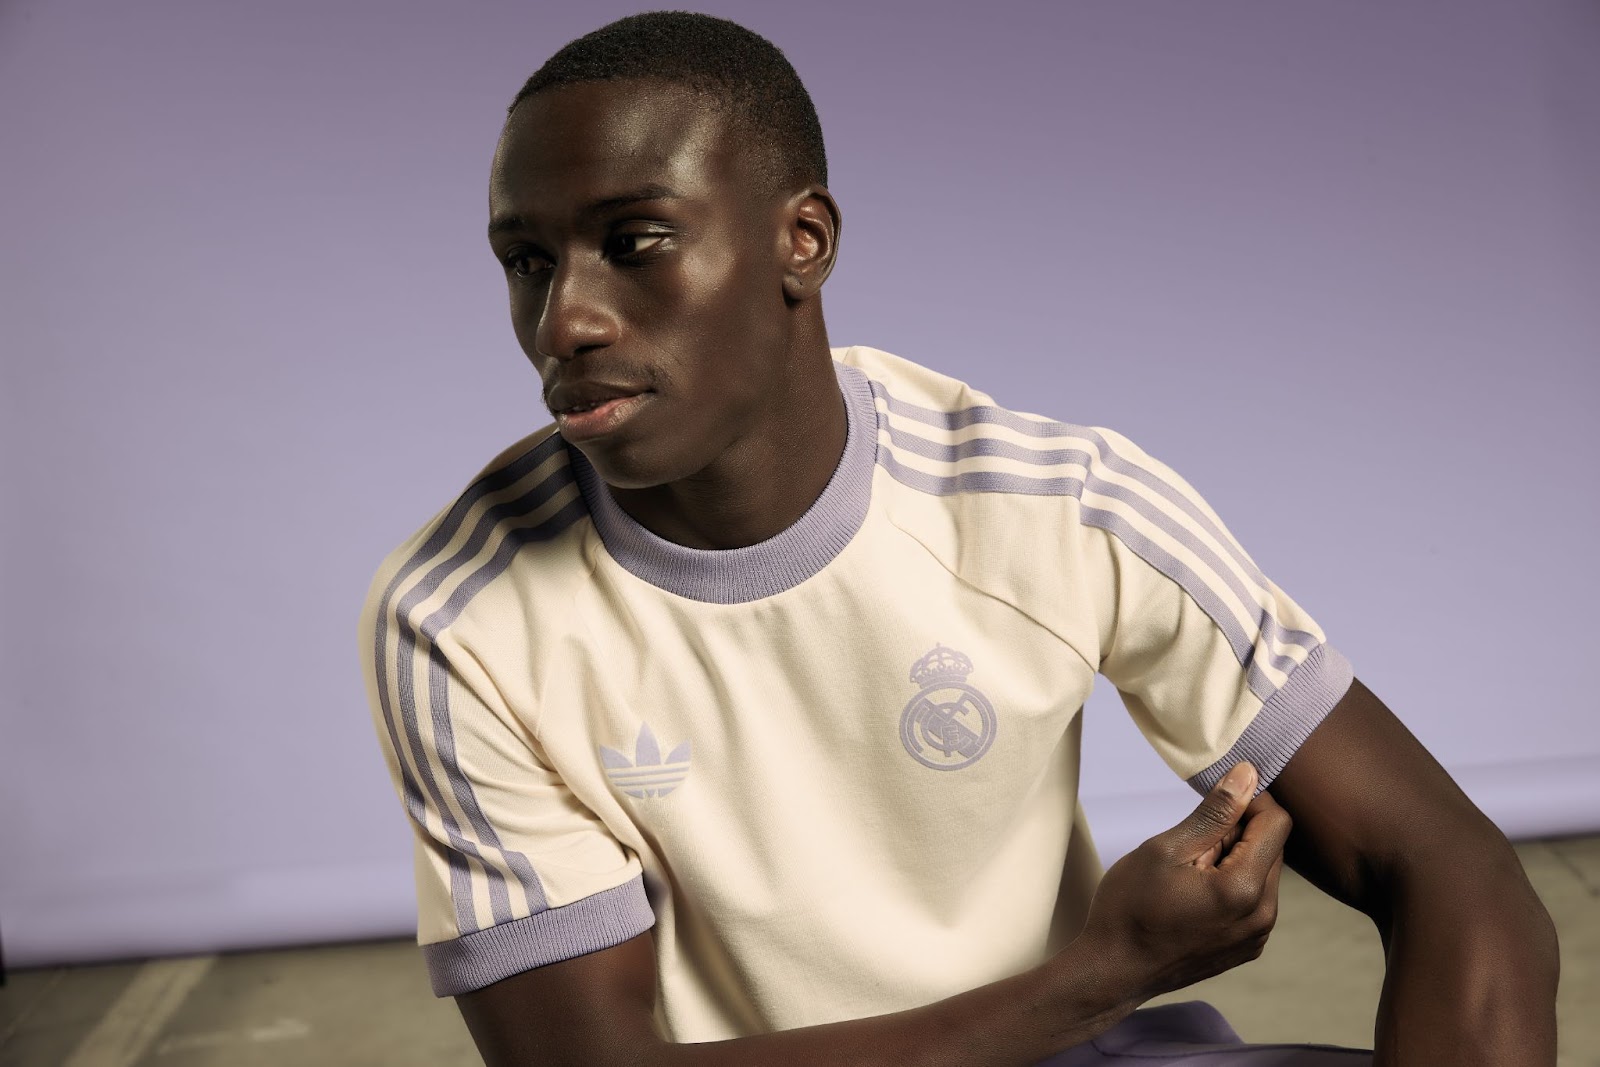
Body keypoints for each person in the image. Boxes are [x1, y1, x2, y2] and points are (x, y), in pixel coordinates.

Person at [357, 11, 1559, 1066]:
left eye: (634, 242)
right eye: (527, 262)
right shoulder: (456, 616)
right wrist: (1106, 971)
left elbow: (1450, 868)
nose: (563, 318)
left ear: (801, 241)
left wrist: (1094, 1002)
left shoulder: (1059, 503)